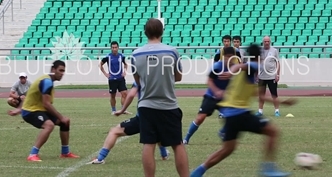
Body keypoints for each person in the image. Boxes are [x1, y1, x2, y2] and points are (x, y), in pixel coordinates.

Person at [190, 44, 297, 177]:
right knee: (273, 132)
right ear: (260, 56)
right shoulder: (252, 67)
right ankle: (268, 168)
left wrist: (281, 102)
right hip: (239, 114)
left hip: (230, 115)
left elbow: (258, 95)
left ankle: (198, 172)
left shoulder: (246, 76)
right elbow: (245, 66)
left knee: (227, 149)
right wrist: (235, 68)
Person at [131, 18, 189, 177]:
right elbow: (178, 77)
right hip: (168, 104)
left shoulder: (136, 54)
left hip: (146, 105)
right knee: (177, 144)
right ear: (162, 32)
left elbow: (138, 81)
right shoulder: (172, 51)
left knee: (148, 144)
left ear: (145, 32)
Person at [7, 60, 79, 162]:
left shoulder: (47, 80)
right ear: (53, 70)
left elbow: (29, 95)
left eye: (64, 71)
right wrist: (60, 116)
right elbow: (46, 104)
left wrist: (18, 109)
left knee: (65, 122)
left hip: (40, 110)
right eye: (60, 70)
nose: (62, 73)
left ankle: (65, 152)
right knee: (49, 125)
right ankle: (32, 154)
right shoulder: (47, 81)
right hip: (30, 111)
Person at [87, 82, 169, 164]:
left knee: (114, 131)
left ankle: (100, 158)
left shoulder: (141, 77)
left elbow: (131, 95)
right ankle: (164, 154)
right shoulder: (162, 78)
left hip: (143, 116)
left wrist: (122, 110)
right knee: (156, 130)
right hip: (160, 115)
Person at [183, 47, 235, 145]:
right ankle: (186, 138)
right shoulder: (217, 67)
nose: (230, 59)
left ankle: (222, 132)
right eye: (228, 57)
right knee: (200, 118)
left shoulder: (235, 68)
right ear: (223, 56)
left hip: (224, 98)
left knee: (234, 116)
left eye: (232, 57)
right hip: (211, 96)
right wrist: (217, 91)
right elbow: (209, 81)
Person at [100, 41, 130, 115]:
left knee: (124, 93)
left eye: (115, 47)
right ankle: (113, 110)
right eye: (113, 47)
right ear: (111, 48)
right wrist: (105, 74)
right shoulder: (108, 57)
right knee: (113, 95)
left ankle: (123, 110)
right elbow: (100, 65)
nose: (114, 49)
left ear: (118, 47)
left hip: (120, 78)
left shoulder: (121, 56)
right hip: (112, 79)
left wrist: (125, 71)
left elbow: (126, 64)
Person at [256, 36, 281, 117]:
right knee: (261, 95)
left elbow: (277, 63)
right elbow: (257, 63)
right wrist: (256, 74)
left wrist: (277, 74)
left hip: (271, 77)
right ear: (263, 42)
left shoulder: (274, 51)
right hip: (262, 77)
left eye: (268, 41)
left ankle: (277, 111)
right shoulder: (260, 51)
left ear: (270, 42)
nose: (266, 43)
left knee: (274, 95)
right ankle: (260, 111)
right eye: (265, 41)